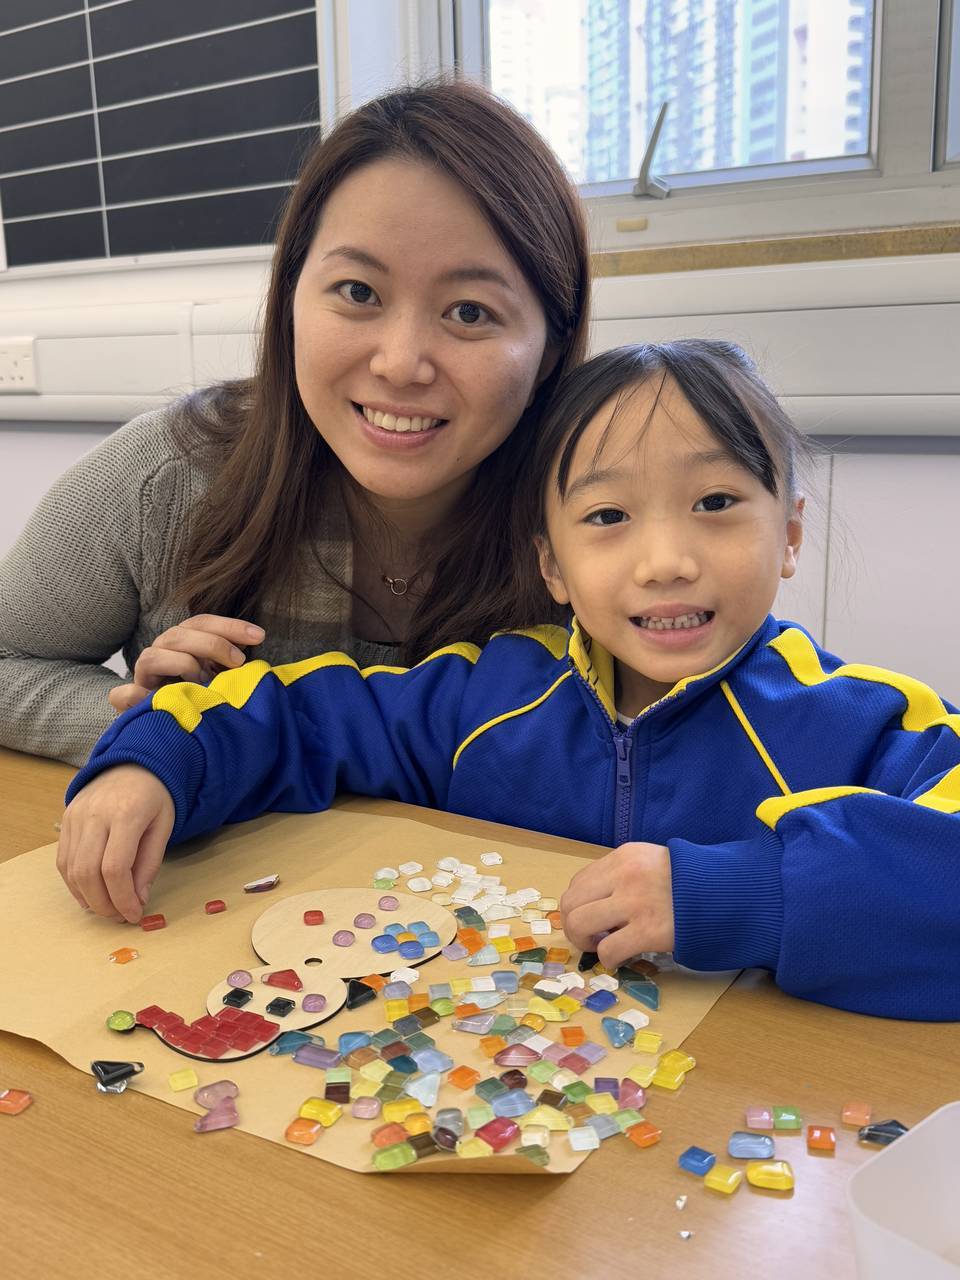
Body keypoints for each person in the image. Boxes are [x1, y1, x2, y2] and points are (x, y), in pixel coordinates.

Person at [59, 340, 960, 1020]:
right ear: (553, 566)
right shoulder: (489, 692)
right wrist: (154, 762)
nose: (666, 561)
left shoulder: (869, 724)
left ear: (789, 534)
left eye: (716, 503)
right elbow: (305, 714)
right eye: (607, 516)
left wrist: (740, 894)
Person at [0, 79, 589, 766]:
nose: (401, 364)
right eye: (358, 292)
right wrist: (164, 732)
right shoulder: (166, 475)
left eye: (469, 312)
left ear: (550, 349)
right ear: (290, 298)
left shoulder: (610, 510)